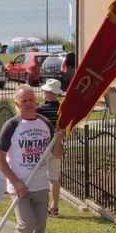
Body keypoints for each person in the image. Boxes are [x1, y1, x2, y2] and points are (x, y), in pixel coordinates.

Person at [0, 84, 64, 233]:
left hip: (40, 185)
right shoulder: (12, 125)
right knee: (26, 224)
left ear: (36, 101)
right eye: (23, 101)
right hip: (20, 186)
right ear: (17, 104)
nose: (28, 104)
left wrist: (58, 140)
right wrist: (15, 181)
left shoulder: (44, 124)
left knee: (40, 226)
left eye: (31, 100)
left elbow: (56, 154)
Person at [36, 78, 64, 216]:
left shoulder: (40, 109)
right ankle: (55, 206)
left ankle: (40, 204)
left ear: (48, 93)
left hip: (44, 146)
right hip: (57, 145)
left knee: (39, 175)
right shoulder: (62, 109)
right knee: (54, 177)